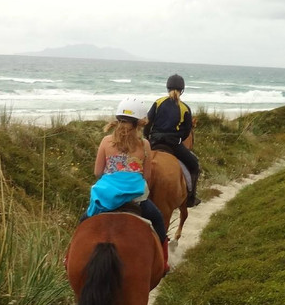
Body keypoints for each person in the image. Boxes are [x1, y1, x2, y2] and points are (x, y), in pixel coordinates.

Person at [85, 97, 170, 273]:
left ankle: (68, 258)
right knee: (158, 218)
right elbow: (146, 176)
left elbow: (97, 172)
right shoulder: (144, 144)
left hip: (106, 197)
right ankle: (164, 262)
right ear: (139, 123)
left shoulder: (106, 141)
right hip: (135, 197)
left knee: (83, 222)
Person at [144, 74, 201, 206]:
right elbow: (187, 130)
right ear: (182, 90)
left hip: (154, 142)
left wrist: (147, 137)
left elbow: (148, 122)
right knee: (194, 165)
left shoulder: (158, 103)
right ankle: (190, 199)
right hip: (173, 144)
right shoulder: (184, 108)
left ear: (167, 88)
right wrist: (178, 138)